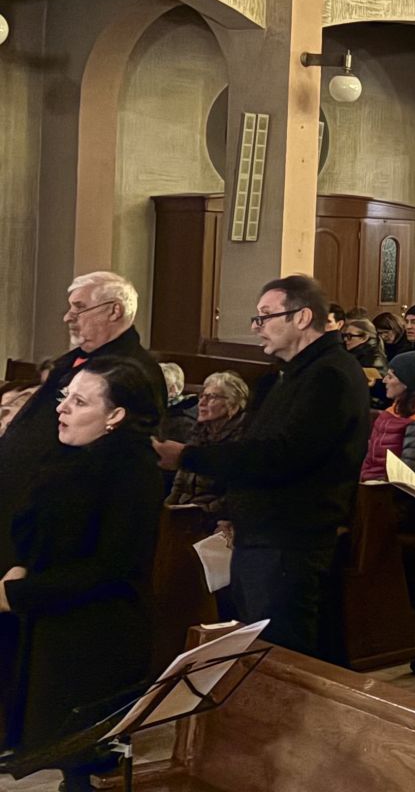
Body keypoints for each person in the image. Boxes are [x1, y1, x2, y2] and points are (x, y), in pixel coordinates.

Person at [153, 276, 369, 659]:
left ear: (302, 317)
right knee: (255, 650)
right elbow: (254, 446)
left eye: (266, 316)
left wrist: (187, 456)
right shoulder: (286, 374)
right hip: (264, 535)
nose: (257, 327)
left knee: (282, 656)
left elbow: (279, 456)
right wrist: (234, 512)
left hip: (291, 540)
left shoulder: (330, 375)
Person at [1, 357, 163, 788]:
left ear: (116, 416)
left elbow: (111, 566)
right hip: (55, 620)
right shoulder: (67, 455)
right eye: (63, 396)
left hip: (97, 635)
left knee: (84, 766)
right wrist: (21, 562)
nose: (61, 408)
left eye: (79, 401)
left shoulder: (133, 469)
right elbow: (41, 528)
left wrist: (20, 594)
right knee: (58, 758)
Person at [0, 273, 166, 546]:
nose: (68, 317)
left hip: (66, 516)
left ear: (114, 310)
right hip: (24, 502)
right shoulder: (75, 359)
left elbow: (129, 450)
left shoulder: (131, 371)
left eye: (79, 307)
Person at [168, 372, 255, 515]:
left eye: (211, 397)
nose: (201, 403)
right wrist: (168, 508)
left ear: (232, 403)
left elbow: (235, 494)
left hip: (214, 517)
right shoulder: (199, 430)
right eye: (202, 396)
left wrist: (203, 512)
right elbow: (180, 482)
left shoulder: (242, 439)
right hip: (185, 511)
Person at [361, 351, 415, 482]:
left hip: (385, 490)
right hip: (368, 481)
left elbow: (407, 469)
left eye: (390, 376)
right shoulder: (392, 410)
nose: (384, 380)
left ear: (407, 383)